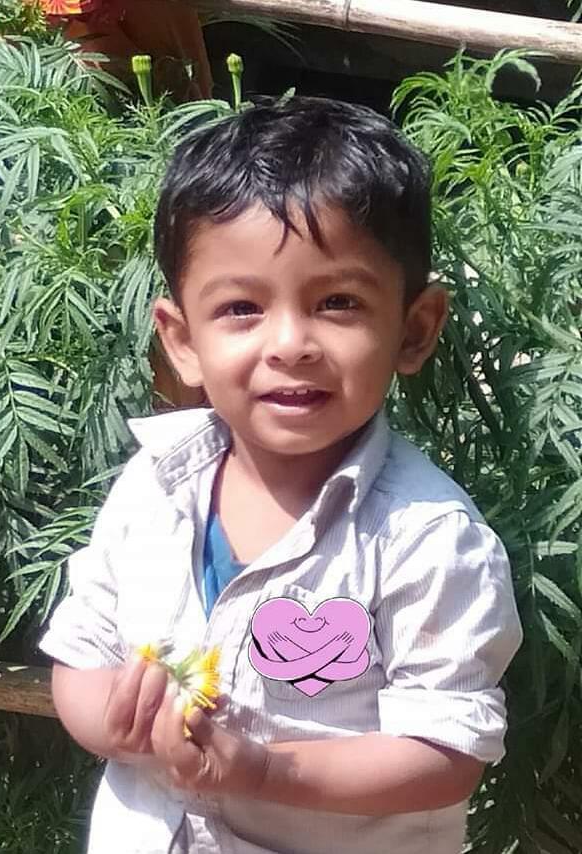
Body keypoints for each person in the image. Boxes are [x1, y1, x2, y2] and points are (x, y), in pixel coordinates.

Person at [39, 96, 523, 854]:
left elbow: (446, 753)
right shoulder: (152, 487)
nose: (290, 343)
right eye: (241, 308)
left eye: (337, 302)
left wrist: (265, 770)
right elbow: (83, 651)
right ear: (181, 340)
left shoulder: (429, 540)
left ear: (415, 328)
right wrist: (115, 720)